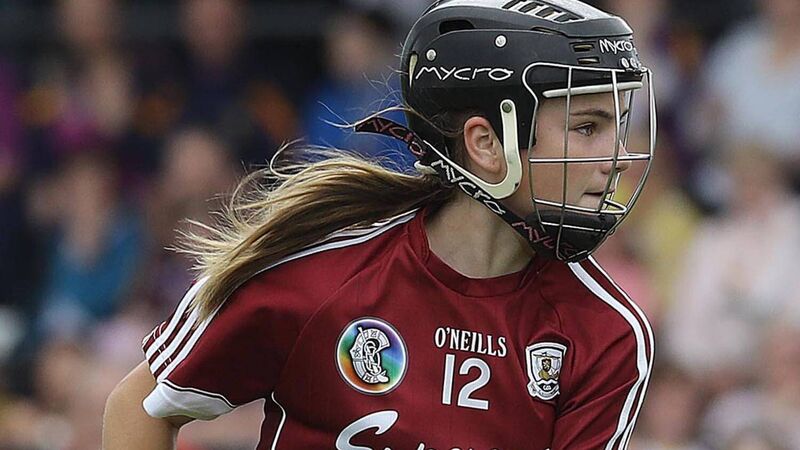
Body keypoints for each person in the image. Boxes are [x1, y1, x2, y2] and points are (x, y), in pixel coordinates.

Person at [103, 1, 656, 449]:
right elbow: (141, 409)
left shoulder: (607, 334)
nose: (617, 158)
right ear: (486, 144)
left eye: (618, 126)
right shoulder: (318, 268)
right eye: (588, 128)